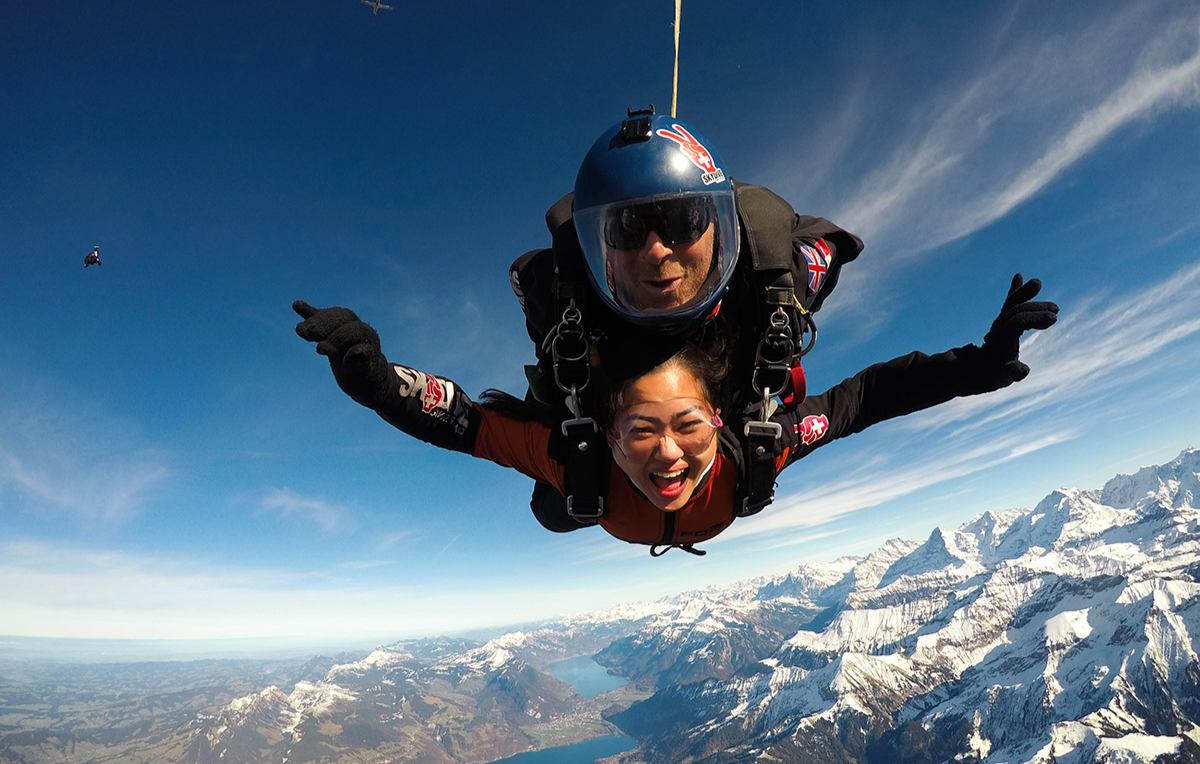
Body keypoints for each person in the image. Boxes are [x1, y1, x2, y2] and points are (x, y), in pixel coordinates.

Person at [293, 273, 1058, 556]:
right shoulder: (573, 464)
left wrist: (973, 366)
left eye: (687, 426)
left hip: (640, 496)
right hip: (587, 497)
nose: (666, 456)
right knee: (554, 510)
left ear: (718, 422)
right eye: (642, 430)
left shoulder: (759, 448)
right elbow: (458, 421)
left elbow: (863, 400)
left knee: (562, 503)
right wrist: (375, 379)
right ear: (608, 429)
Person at [510, 107, 864, 519]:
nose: (656, 249)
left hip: (730, 407)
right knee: (556, 508)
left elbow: (837, 244)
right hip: (607, 419)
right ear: (598, 246)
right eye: (626, 229)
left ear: (718, 225)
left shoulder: (775, 277)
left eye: (684, 220)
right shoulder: (556, 298)